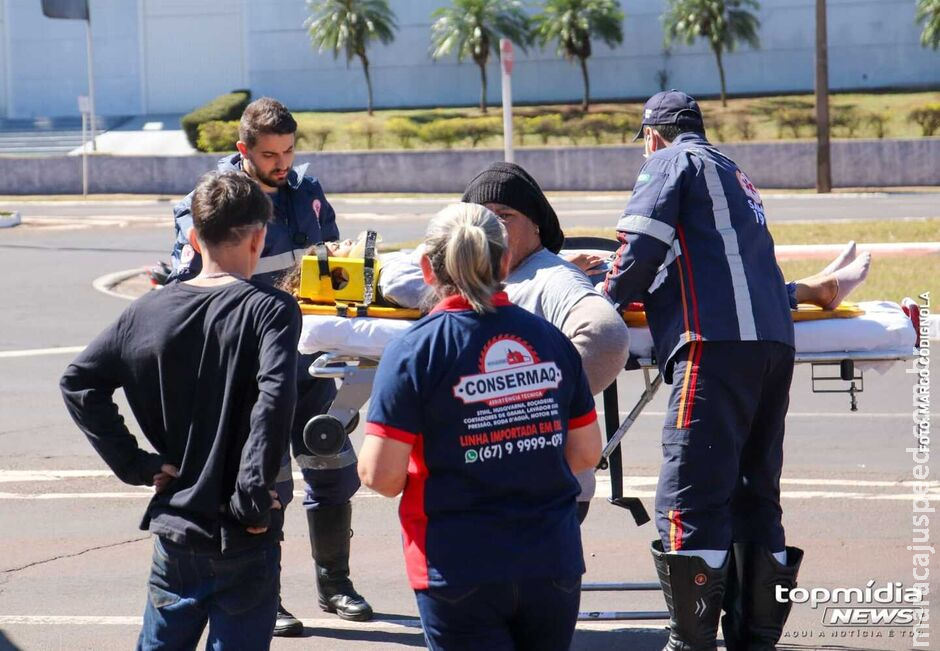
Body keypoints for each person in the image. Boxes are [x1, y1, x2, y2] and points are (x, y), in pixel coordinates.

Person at [60, 171, 297, 650]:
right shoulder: (271, 310)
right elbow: (272, 406)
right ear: (259, 238)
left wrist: (139, 465)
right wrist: (253, 496)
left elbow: (79, 381)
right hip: (242, 528)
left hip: (177, 524)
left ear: (194, 238)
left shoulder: (147, 311)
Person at [603, 90, 803, 651]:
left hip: (714, 346)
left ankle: (689, 641)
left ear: (652, 134)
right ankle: (753, 637)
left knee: (688, 497)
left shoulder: (668, 162)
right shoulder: (734, 173)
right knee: (755, 495)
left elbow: (640, 245)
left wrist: (602, 301)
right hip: (772, 346)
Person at [166, 98, 372, 634]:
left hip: (311, 360)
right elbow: (189, 283)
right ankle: (269, 597)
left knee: (332, 469)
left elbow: (330, 267)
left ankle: (336, 585)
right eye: (268, 154)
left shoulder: (308, 191)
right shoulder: (214, 200)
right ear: (243, 151)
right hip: (251, 368)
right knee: (267, 483)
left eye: (287, 151)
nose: (281, 163)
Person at [358, 202, 602, 651]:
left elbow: (381, 476)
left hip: (457, 565)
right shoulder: (550, 339)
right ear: (506, 261)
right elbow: (586, 453)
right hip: (552, 561)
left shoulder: (414, 350)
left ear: (428, 269)